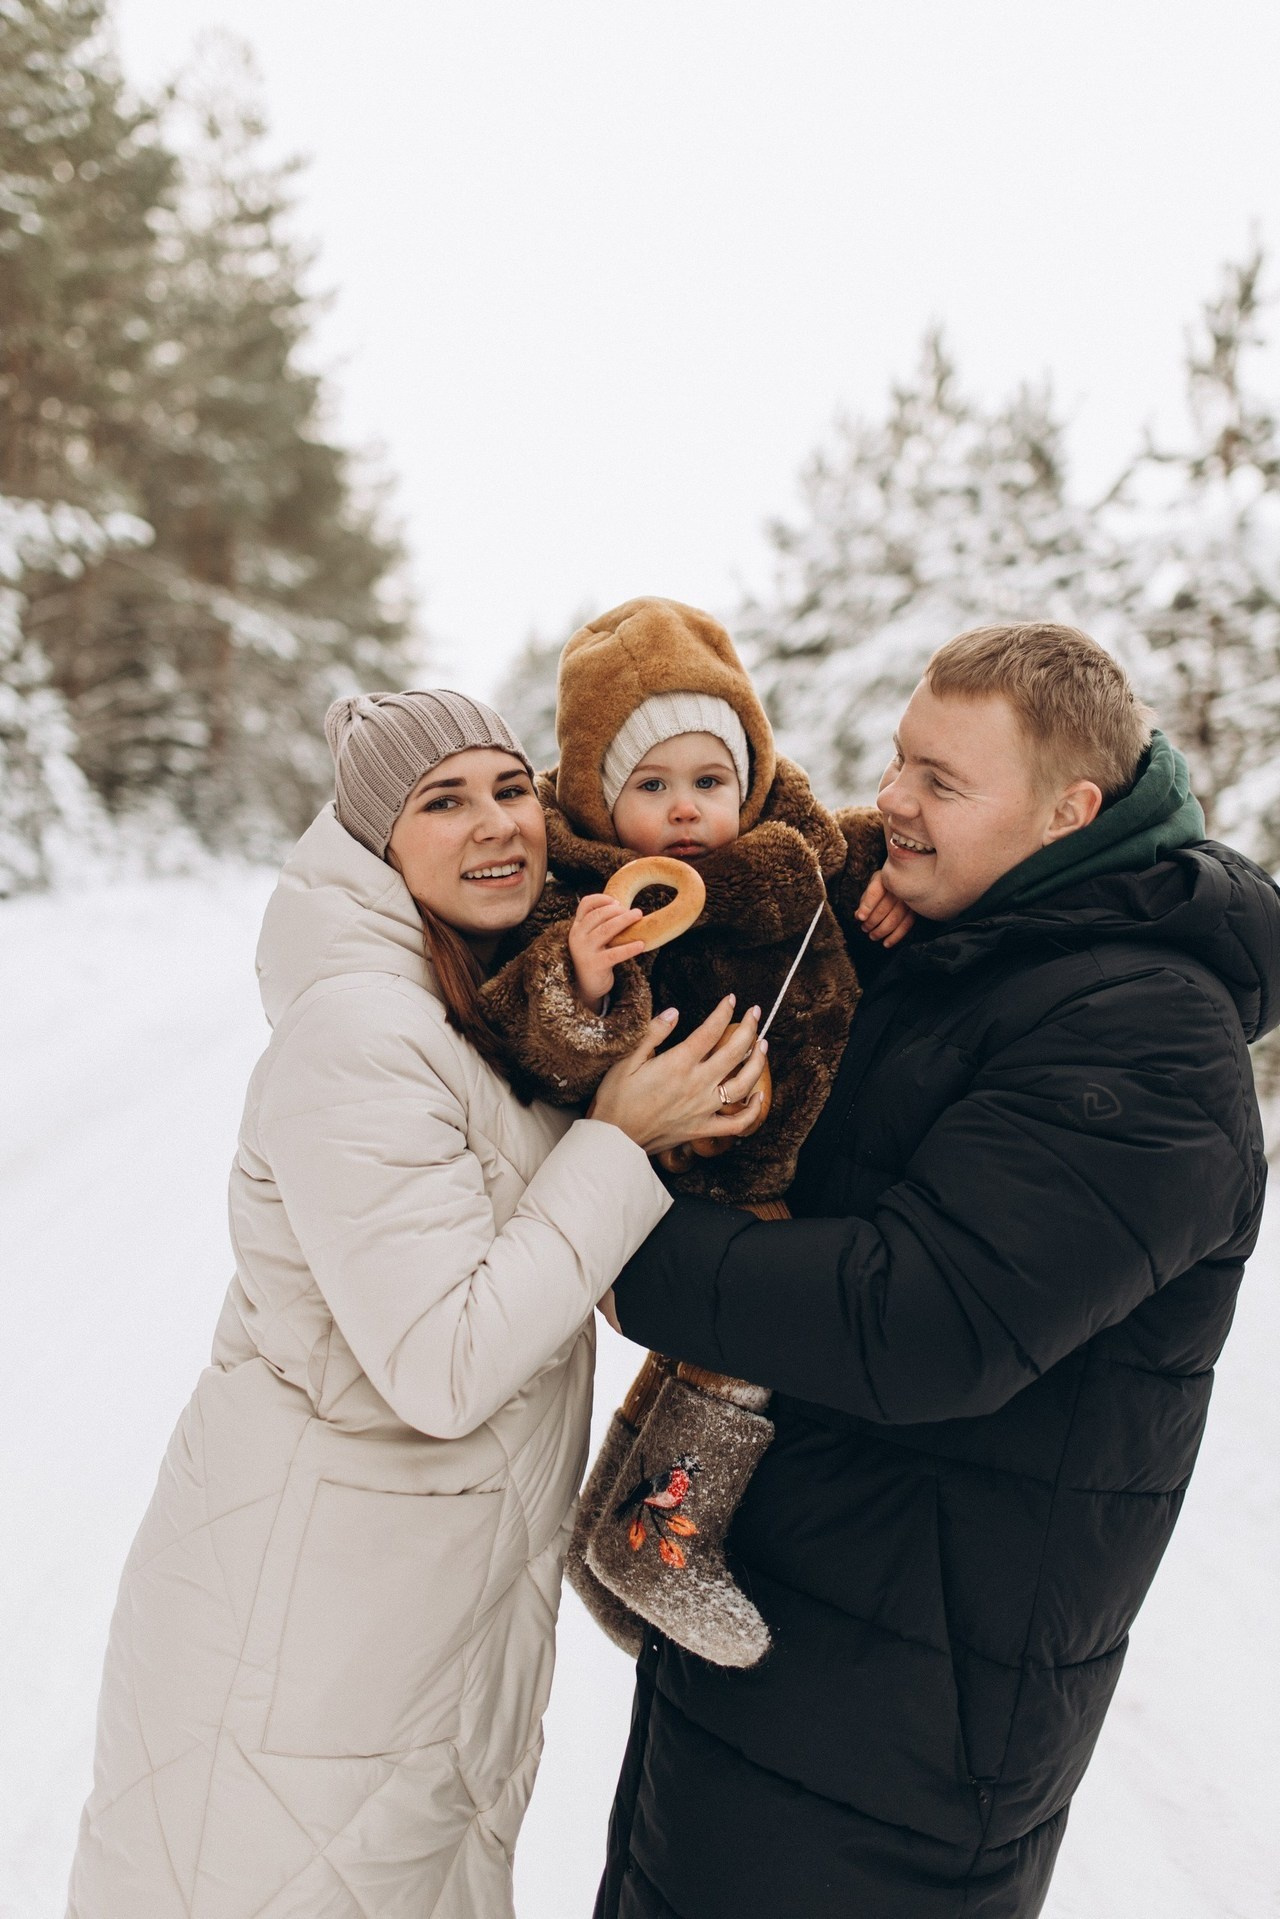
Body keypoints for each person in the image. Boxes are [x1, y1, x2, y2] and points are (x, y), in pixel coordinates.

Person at [593, 624, 1280, 1919]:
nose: (894, 797)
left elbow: (919, 1319)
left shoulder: (1148, 1038)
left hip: (903, 1738)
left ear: (1070, 811)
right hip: (791, 1642)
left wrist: (612, 1235)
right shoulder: (966, 943)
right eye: (900, 758)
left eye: (941, 781)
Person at [65, 689, 766, 1919]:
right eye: (442, 800)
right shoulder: (361, 1031)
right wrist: (615, 1141)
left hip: (404, 1641)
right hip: (301, 1656)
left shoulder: (484, 1001)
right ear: (376, 837)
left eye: (509, 788)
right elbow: (446, 1361)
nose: (496, 823)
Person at [477, 597, 909, 1668]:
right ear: (597, 797)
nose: (685, 810)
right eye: (651, 785)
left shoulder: (799, 854)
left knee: (698, 1356)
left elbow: (886, 851)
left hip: (785, 1148)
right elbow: (534, 1030)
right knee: (740, 1340)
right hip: (672, 1170)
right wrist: (583, 975)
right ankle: (663, 1541)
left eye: (709, 781)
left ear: (748, 779)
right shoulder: (586, 899)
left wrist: (898, 885)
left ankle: (606, 1533)